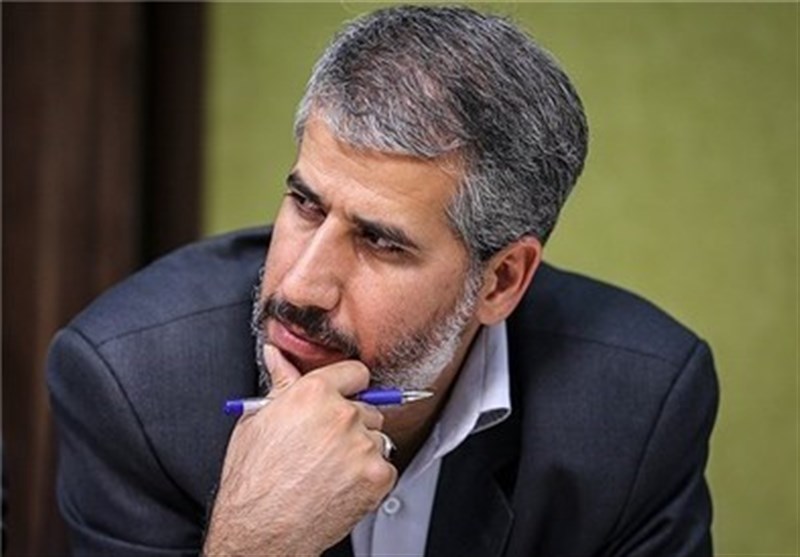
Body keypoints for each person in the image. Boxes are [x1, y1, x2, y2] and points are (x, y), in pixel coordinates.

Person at [47, 5, 718, 556]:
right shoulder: (133, 382)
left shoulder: (638, 408)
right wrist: (254, 545)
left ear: (501, 281)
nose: (301, 288)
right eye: (306, 205)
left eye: (380, 241)